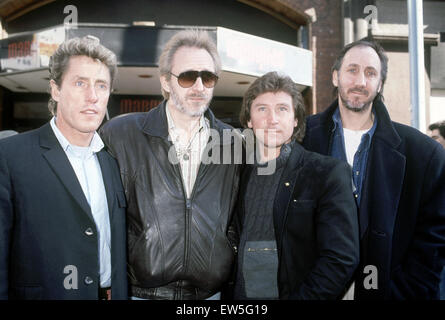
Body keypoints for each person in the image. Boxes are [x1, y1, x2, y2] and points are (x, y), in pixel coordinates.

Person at [100, 29, 242, 300]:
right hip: (142, 293)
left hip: (210, 296)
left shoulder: (233, 143)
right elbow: (102, 215)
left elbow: (236, 215)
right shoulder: (121, 134)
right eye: (188, 77)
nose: (199, 87)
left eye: (208, 77)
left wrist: (228, 252)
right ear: (166, 81)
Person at [303, 40, 445, 299]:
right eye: (352, 70)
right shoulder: (299, 138)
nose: (360, 81)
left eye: (371, 73)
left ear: (380, 84)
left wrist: (400, 292)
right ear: (335, 76)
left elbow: (433, 240)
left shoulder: (424, 155)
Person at [0, 36, 128, 300]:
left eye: (101, 85)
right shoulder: (10, 157)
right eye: (80, 83)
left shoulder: (113, 161)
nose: (92, 96)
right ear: (55, 90)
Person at [231, 71, 359, 300]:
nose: (272, 119)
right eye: (262, 109)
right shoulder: (236, 174)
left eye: (282, 109)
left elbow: (340, 259)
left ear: (296, 119)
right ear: (248, 120)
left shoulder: (327, 174)